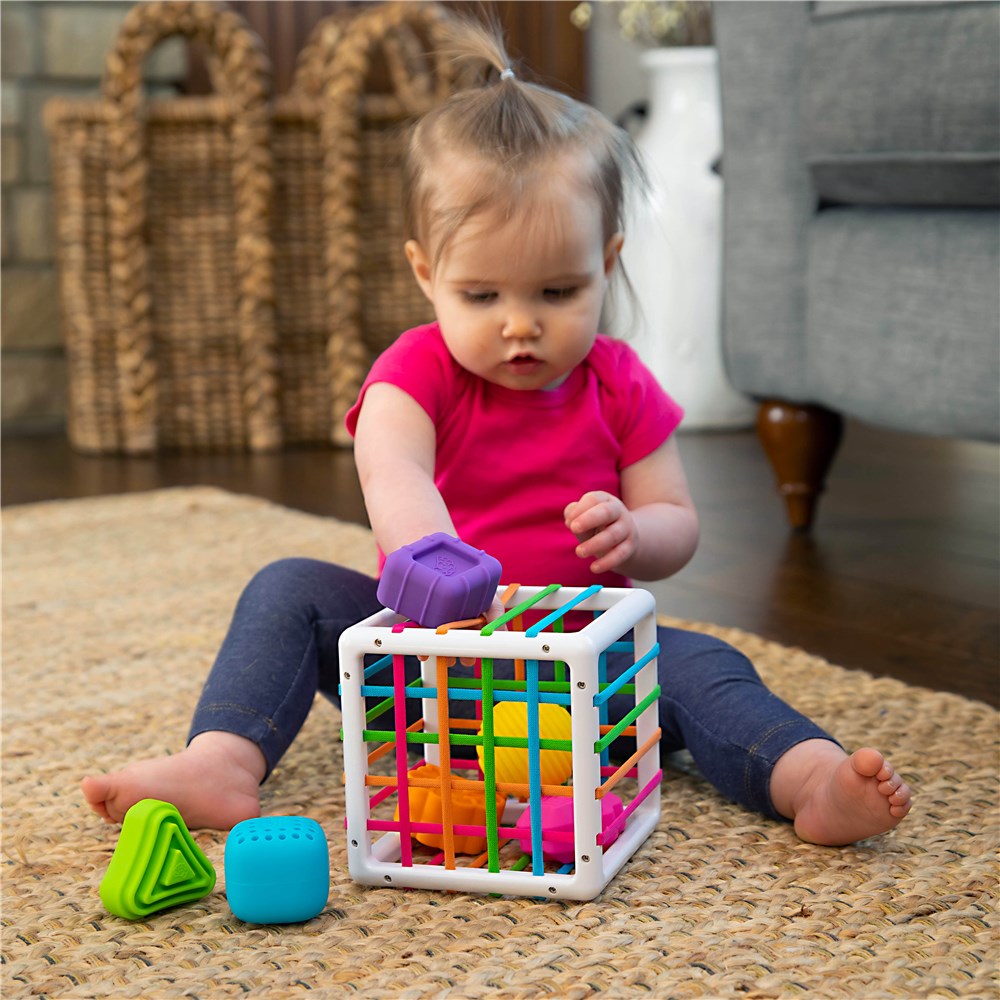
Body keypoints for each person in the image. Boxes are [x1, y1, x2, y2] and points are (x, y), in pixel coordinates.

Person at [82, 19, 911, 847]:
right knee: (286, 587)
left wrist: (634, 532)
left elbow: (679, 524)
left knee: (705, 665)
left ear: (607, 261)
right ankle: (222, 759)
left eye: (557, 292)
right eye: (482, 297)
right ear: (425, 274)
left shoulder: (619, 381)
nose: (521, 325)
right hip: (423, 669)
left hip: (582, 672)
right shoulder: (416, 371)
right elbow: (390, 465)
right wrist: (432, 559)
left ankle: (807, 777)